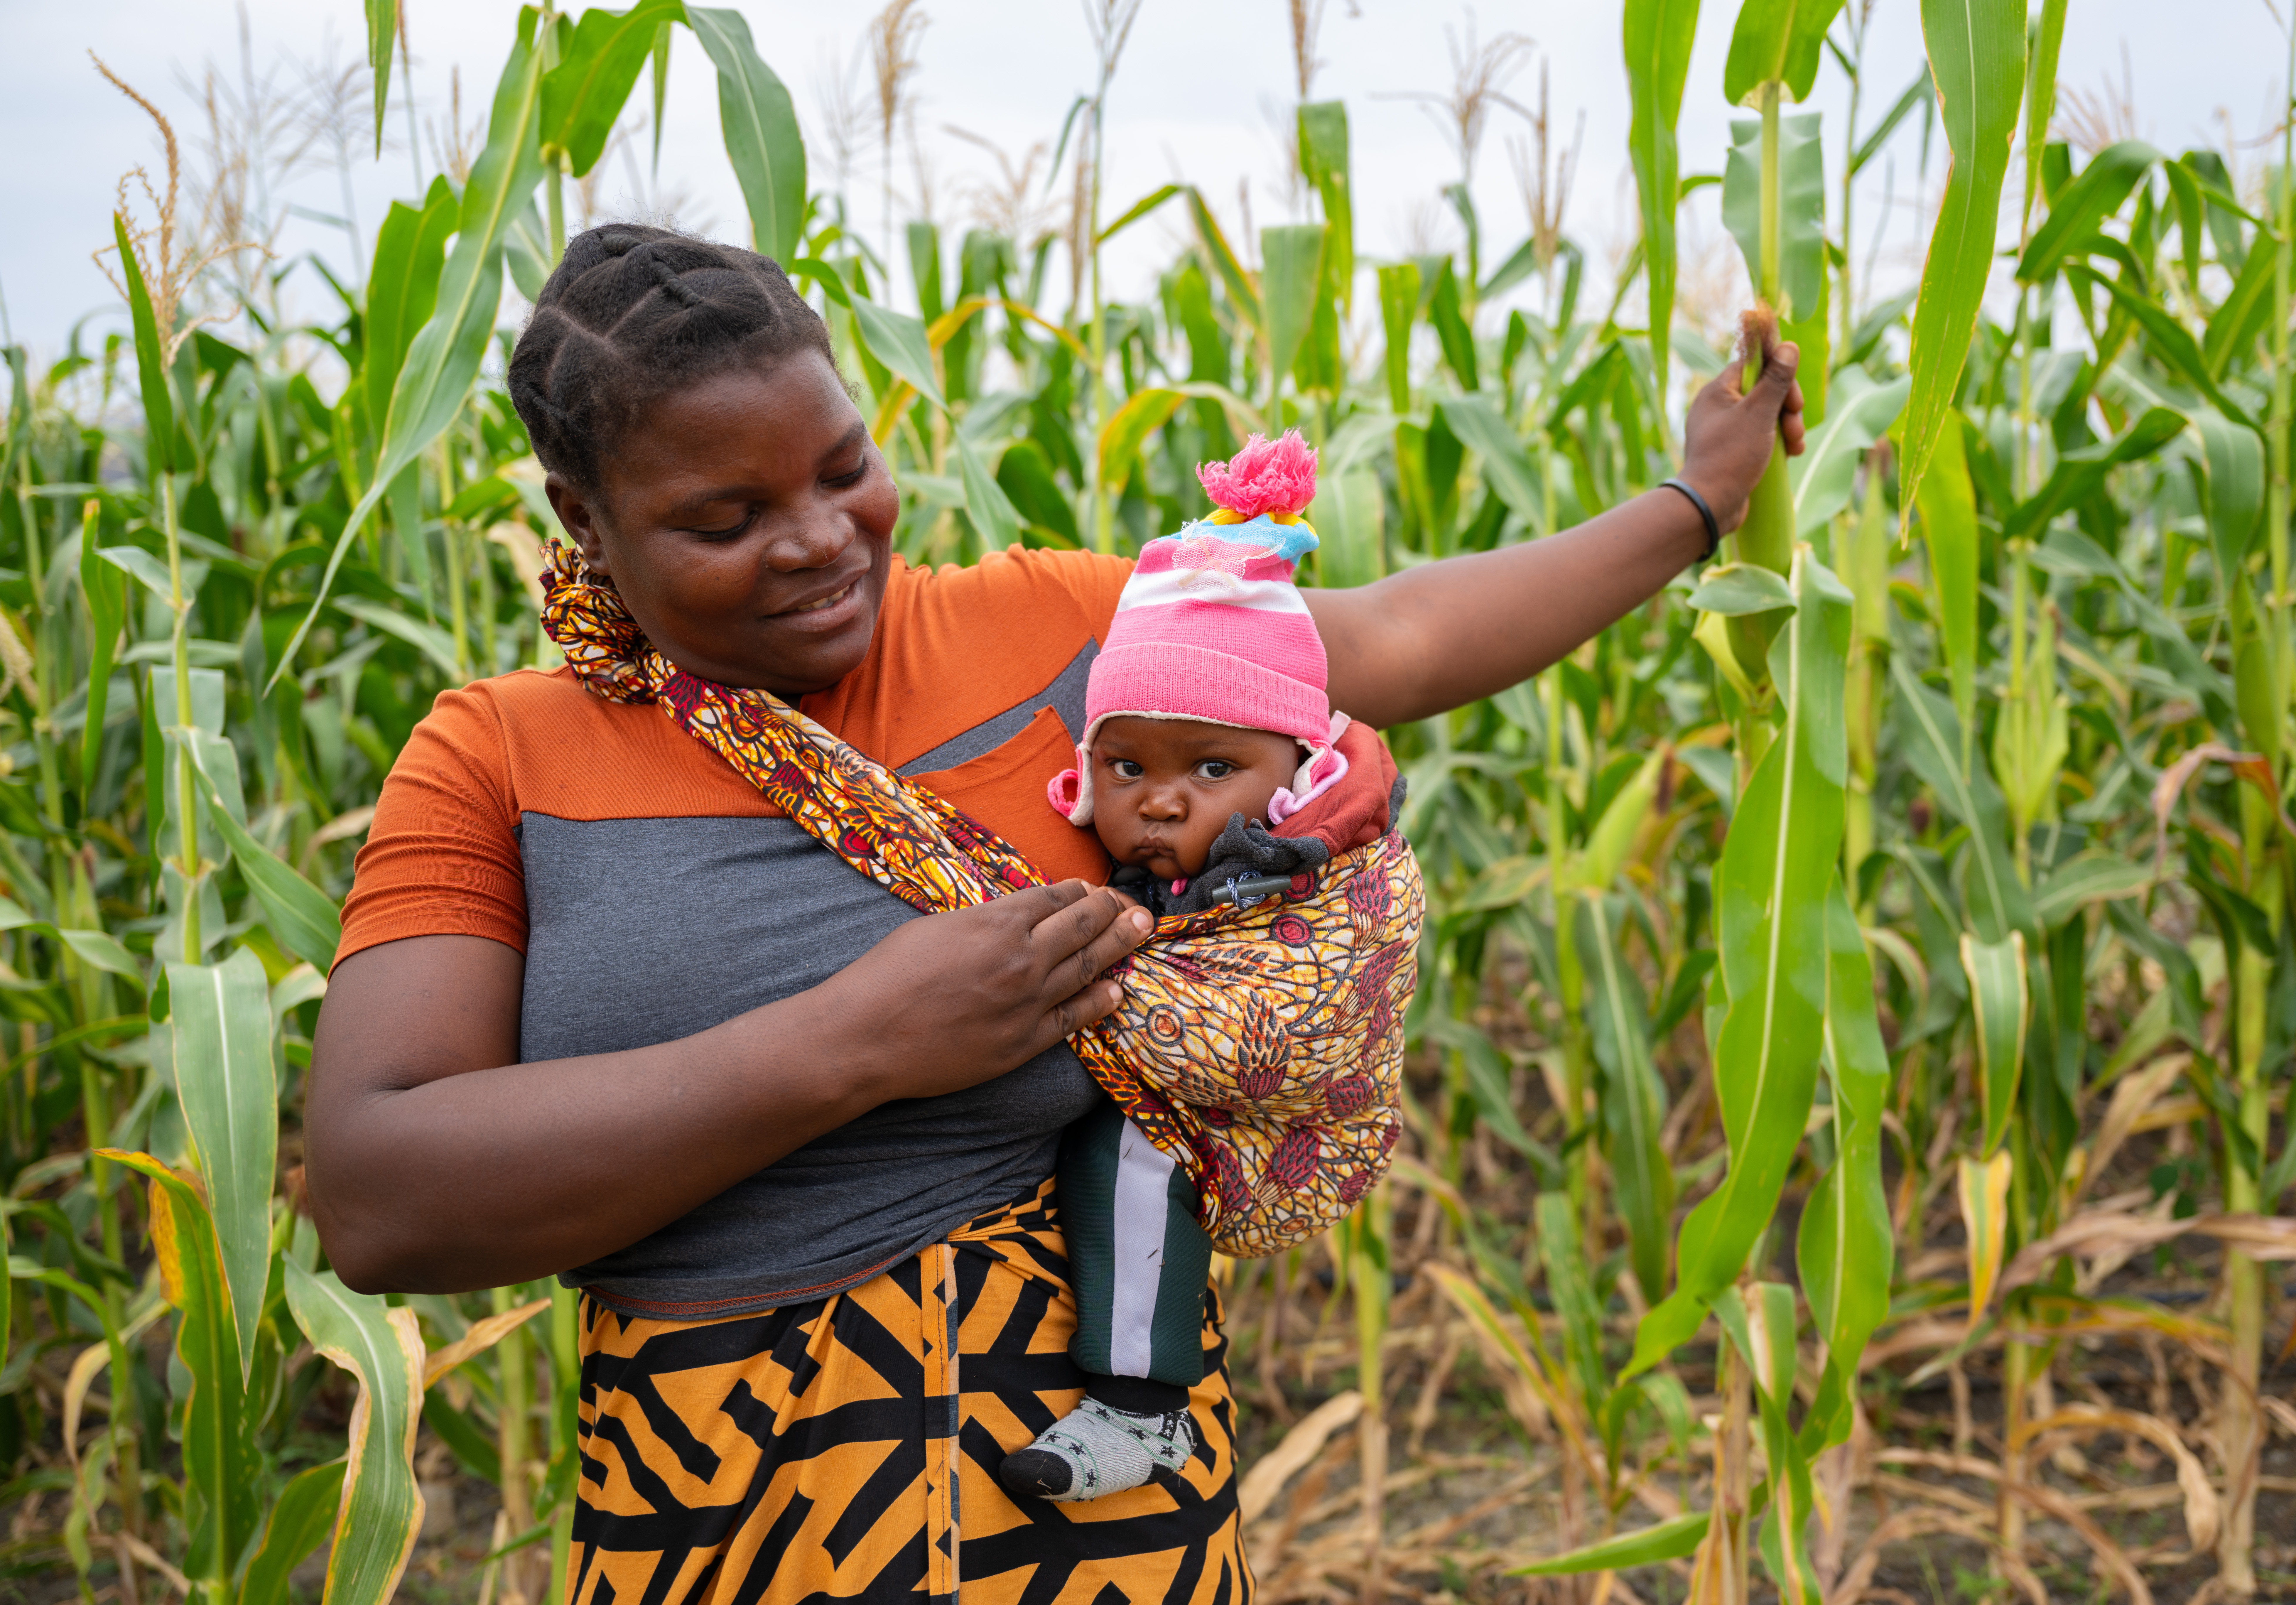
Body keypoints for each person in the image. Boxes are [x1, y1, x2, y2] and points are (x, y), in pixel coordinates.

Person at [305, 223, 1803, 1604]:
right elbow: (378, 1193)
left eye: (844, 468)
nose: (824, 538)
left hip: (1092, 1493)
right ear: (585, 518)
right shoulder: (496, 754)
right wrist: (857, 1042)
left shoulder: (1071, 635)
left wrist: (1695, 501)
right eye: (727, 514)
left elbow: (1395, 636)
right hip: (720, 1507)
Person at [1001, 428, 1423, 1504]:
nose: (1164, 800)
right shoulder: (1161, 859)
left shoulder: (1305, 871)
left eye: (1214, 767)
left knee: (1140, 1155)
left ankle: (1144, 1413)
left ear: (1300, 767)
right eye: (1129, 765)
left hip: (1277, 1126)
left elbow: (1298, 1003)